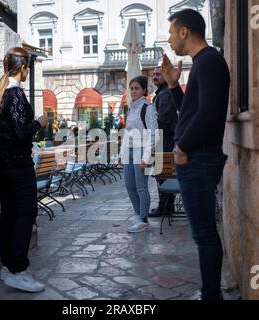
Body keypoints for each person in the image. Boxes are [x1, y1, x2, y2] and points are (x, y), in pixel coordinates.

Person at [161, 9, 230, 300]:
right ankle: (209, 291)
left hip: (198, 159)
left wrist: (181, 148)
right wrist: (175, 86)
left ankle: (211, 295)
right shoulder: (202, 63)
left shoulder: (209, 61)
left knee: (204, 234)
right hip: (196, 157)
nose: (169, 38)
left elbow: (207, 115)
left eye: (172, 32)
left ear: (185, 32)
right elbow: (190, 114)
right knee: (202, 233)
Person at [0, 47, 49, 293]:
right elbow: (21, 132)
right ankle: (18, 270)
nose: (28, 72)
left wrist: (7, 138)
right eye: (27, 68)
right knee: (26, 213)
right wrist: (38, 123)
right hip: (16, 163)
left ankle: (8, 266)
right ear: (22, 69)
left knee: (10, 214)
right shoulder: (16, 94)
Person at [120, 76, 158, 233]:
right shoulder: (131, 107)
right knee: (130, 185)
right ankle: (138, 214)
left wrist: (147, 157)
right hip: (129, 150)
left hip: (142, 149)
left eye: (137, 88)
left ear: (144, 90)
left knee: (141, 187)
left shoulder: (148, 108)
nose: (134, 91)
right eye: (132, 88)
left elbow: (154, 133)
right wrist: (122, 154)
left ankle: (143, 220)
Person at [149, 66, 178, 217]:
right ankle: (167, 205)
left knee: (162, 174)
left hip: (165, 139)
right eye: (153, 74)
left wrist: (150, 125)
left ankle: (164, 207)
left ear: (165, 76)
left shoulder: (165, 94)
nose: (155, 76)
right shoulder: (162, 93)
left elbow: (164, 120)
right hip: (165, 138)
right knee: (163, 173)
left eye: (158, 74)